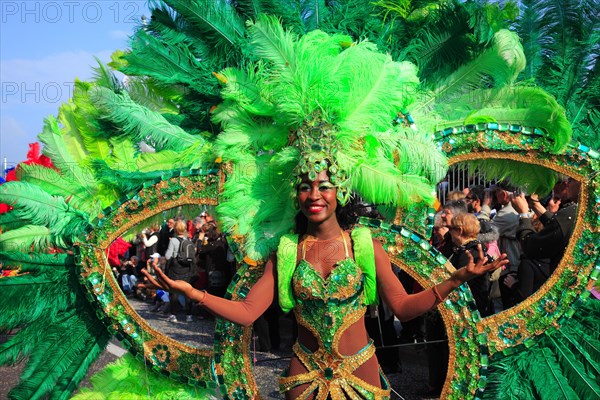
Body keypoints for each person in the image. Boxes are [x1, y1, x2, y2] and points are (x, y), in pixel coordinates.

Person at [144, 170, 507, 399]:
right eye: (305, 187)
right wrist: (194, 293)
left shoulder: (365, 245)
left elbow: (403, 306)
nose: (314, 194)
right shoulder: (287, 251)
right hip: (304, 373)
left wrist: (454, 280)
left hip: (361, 372)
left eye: (324, 185)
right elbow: (248, 311)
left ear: (340, 192)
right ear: (295, 196)